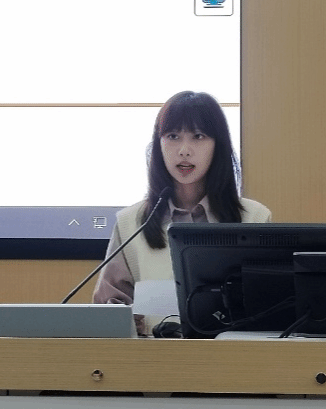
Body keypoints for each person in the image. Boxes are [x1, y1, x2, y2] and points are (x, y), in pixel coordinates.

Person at [92, 91, 271, 335]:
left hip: (230, 354)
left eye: (198, 136)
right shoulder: (131, 222)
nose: (184, 150)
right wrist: (127, 321)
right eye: (173, 136)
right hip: (152, 355)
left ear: (217, 145)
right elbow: (107, 310)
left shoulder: (254, 218)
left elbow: (267, 308)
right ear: (159, 144)